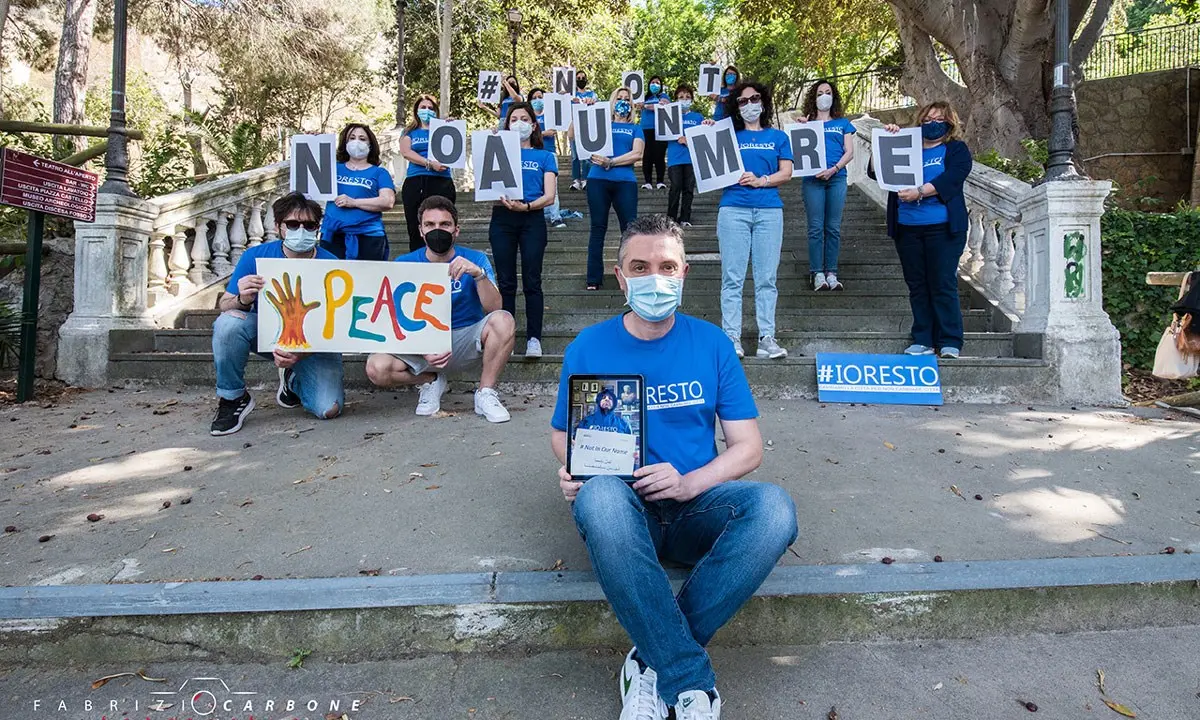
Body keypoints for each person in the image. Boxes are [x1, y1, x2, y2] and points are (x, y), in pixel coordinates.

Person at [551, 214, 798, 720]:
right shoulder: (588, 347)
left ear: (683, 273)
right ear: (620, 277)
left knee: (775, 510)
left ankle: (650, 661)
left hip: (696, 507)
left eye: (666, 266)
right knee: (598, 496)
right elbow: (562, 432)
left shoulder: (711, 344)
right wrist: (574, 466)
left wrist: (689, 484)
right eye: (639, 267)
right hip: (623, 508)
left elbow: (747, 447)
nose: (654, 278)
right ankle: (689, 680)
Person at [365, 196, 515, 422]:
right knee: (376, 367)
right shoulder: (404, 264)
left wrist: (478, 275)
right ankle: (429, 380)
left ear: (456, 230)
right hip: (421, 341)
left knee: (504, 320)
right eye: (430, 225)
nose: (438, 230)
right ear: (421, 230)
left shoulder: (476, 259)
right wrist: (422, 346)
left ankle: (485, 393)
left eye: (445, 224)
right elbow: (391, 318)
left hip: (464, 337)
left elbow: (495, 307)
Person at [210, 193, 344, 436]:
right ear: (278, 227)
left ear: (317, 228)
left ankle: (292, 379)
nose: (301, 230)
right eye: (293, 224)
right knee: (228, 324)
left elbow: (339, 324)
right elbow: (224, 304)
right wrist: (242, 298)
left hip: (316, 344)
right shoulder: (255, 256)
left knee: (329, 409)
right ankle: (232, 398)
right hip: (269, 334)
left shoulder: (332, 263)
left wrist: (302, 352)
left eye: (309, 225)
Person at [875, 102, 973, 359]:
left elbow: (952, 178)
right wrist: (884, 141)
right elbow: (876, 171)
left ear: (950, 123)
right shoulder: (907, 146)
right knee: (917, 285)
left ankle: (950, 340)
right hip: (907, 228)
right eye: (927, 119)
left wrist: (920, 191)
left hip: (943, 228)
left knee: (942, 282)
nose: (932, 123)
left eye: (939, 119)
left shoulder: (956, 150)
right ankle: (923, 339)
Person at [716, 82, 794, 360]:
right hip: (733, 209)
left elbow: (786, 172)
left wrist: (762, 181)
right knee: (732, 277)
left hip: (769, 211)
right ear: (736, 107)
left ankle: (767, 338)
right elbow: (708, 161)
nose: (750, 104)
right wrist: (704, 130)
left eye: (755, 98)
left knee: (766, 278)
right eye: (742, 100)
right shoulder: (728, 136)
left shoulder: (778, 137)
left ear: (764, 101)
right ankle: (731, 337)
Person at [490, 102, 558, 359]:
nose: (518, 123)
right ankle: (504, 338)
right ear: (506, 125)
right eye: (513, 119)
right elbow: (488, 190)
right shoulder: (498, 154)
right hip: (502, 219)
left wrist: (527, 206)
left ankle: (533, 339)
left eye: (523, 118)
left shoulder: (545, 156)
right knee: (505, 282)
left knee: (532, 280)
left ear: (533, 124)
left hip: (532, 219)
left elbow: (549, 196)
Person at [798, 79, 857, 292]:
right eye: (820, 92)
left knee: (833, 228)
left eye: (828, 92)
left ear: (834, 97)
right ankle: (817, 273)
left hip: (837, 178)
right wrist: (801, 127)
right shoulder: (807, 125)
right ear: (814, 98)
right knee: (815, 228)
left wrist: (834, 169)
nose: (824, 96)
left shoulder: (843, 123)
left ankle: (832, 272)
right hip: (813, 179)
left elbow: (849, 152)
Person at [585, 87, 645, 291]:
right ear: (612, 102)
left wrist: (611, 162)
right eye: (619, 99)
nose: (623, 102)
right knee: (597, 228)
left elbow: (637, 154)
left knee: (630, 230)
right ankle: (593, 278)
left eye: (627, 99)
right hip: (597, 180)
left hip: (625, 182)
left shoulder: (636, 128)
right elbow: (575, 135)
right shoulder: (600, 124)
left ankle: (631, 276)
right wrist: (585, 111)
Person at [320, 123, 396, 261]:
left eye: (362, 139)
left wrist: (354, 202)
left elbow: (388, 201)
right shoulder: (332, 168)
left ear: (370, 144)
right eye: (352, 138)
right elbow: (309, 177)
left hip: (368, 236)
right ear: (345, 142)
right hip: (333, 235)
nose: (356, 142)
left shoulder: (379, 172)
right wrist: (313, 140)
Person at [397, 94, 456, 253]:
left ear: (435, 111)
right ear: (416, 111)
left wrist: (452, 126)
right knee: (415, 226)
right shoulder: (409, 131)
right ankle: (418, 262)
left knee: (443, 223)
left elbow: (455, 148)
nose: (427, 110)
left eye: (430, 108)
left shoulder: (444, 128)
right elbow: (406, 152)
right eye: (423, 107)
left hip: (442, 181)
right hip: (416, 182)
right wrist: (429, 164)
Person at [666, 84, 703, 228]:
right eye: (680, 97)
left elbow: (702, 137)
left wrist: (689, 141)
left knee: (688, 188)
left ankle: (685, 217)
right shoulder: (669, 116)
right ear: (675, 100)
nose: (684, 100)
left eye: (687, 97)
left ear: (692, 100)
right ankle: (671, 218)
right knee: (675, 186)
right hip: (675, 158)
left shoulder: (697, 117)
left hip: (691, 158)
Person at [530, 87, 568, 230]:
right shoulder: (527, 118)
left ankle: (555, 217)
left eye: (540, 97)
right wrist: (543, 133)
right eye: (534, 97)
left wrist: (562, 97)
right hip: (533, 154)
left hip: (549, 153)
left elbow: (553, 131)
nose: (537, 100)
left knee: (553, 188)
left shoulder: (550, 115)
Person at [638, 74, 670, 191]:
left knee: (659, 155)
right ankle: (647, 181)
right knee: (647, 155)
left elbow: (664, 105)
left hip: (661, 128)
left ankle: (660, 181)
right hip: (645, 129)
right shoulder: (644, 97)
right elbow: (636, 105)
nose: (655, 85)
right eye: (652, 82)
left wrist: (646, 106)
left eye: (657, 83)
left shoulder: (663, 96)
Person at [569, 71, 598, 191]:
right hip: (574, 127)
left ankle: (586, 179)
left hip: (587, 126)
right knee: (575, 155)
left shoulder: (592, 94)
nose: (581, 79)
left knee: (586, 155)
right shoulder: (571, 95)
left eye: (583, 78)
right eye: (578, 78)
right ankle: (576, 180)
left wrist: (591, 102)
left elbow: (596, 105)